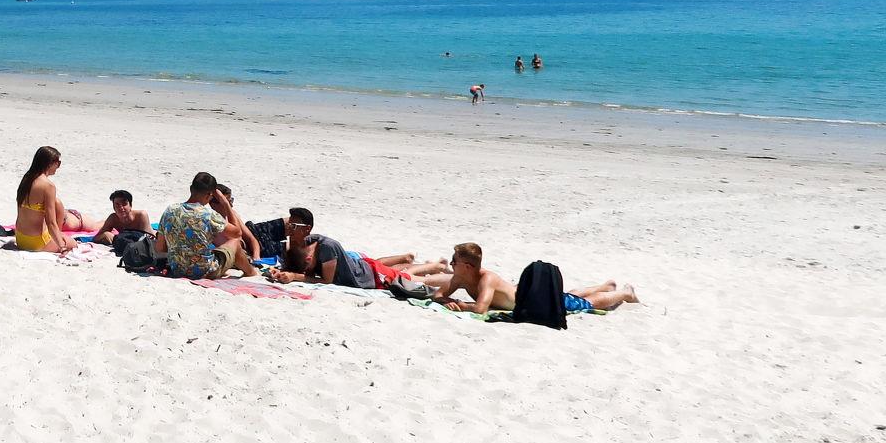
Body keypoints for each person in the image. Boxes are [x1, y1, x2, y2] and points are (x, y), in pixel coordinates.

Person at [437, 243, 638, 314]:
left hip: (533, 300)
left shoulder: (487, 279)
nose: (452, 264)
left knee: (581, 304)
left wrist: (460, 304)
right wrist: (447, 300)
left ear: (468, 267)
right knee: (565, 297)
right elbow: (438, 295)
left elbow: (480, 309)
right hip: (522, 293)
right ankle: (606, 286)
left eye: (455, 261)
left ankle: (624, 293)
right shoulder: (459, 278)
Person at [269, 209, 429, 289]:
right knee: (377, 264)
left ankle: (435, 266)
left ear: (307, 229)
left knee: (402, 276)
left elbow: (326, 281)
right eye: (289, 224)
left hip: (366, 277)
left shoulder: (326, 247)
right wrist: (280, 271)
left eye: (294, 225)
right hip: (361, 265)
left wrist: (294, 277)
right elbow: (295, 268)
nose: (289, 228)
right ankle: (406, 258)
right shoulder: (294, 245)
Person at [154, 172, 256, 279]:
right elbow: (236, 234)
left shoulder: (169, 210)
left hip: (177, 269)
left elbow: (160, 247)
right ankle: (251, 273)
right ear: (209, 195)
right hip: (205, 271)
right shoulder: (208, 215)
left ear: (191, 189)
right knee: (234, 243)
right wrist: (225, 204)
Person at [12, 146, 88, 254]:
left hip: (20, 239)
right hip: (36, 243)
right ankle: (58, 236)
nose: (59, 166)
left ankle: (58, 235)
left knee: (57, 202)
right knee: (73, 244)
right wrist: (62, 246)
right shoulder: (48, 186)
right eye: (58, 163)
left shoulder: (27, 179)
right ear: (50, 163)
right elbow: (51, 222)